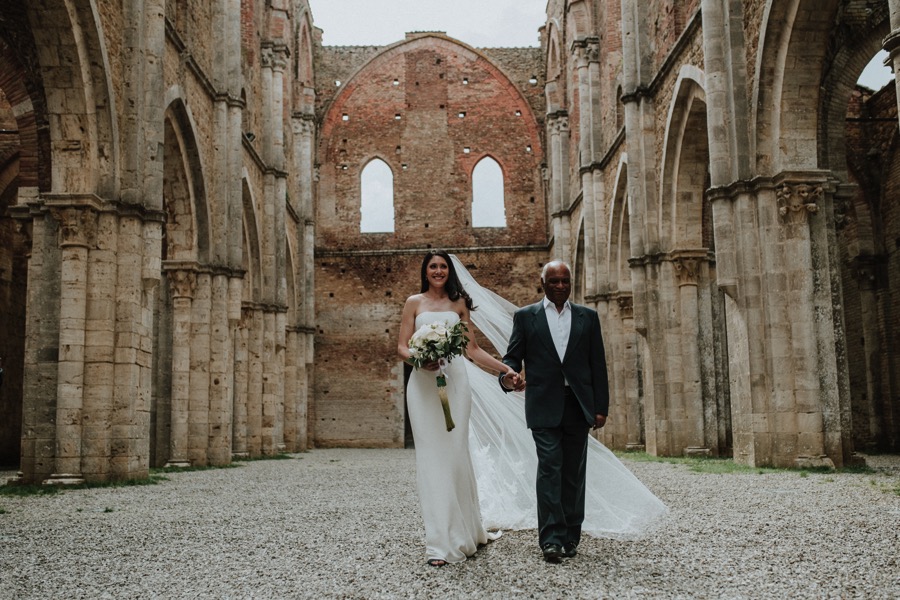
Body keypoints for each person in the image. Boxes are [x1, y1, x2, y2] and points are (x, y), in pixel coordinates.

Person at [397, 250, 516, 567]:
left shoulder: (459, 304)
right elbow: (401, 346)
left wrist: (504, 369)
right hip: (423, 387)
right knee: (431, 460)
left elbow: (472, 350)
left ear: (450, 272)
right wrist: (419, 358)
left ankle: (464, 532)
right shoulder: (414, 303)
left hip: (455, 384)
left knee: (454, 457)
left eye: (443, 267)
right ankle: (439, 543)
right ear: (425, 271)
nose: (438, 271)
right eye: (433, 266)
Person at [499, 259, 610, 563]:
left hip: (578, 405)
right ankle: (551, 539)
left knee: (573, 473)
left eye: (565, 281)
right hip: (543, 405)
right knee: (550, 469)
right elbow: (512, 358)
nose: (560, 286)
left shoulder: (588, 317)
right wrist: (507, 378)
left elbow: (597, 364)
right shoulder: (525, 317)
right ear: (543, 283)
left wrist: (601, 407)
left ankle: (572, 534)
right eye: (554, 281)